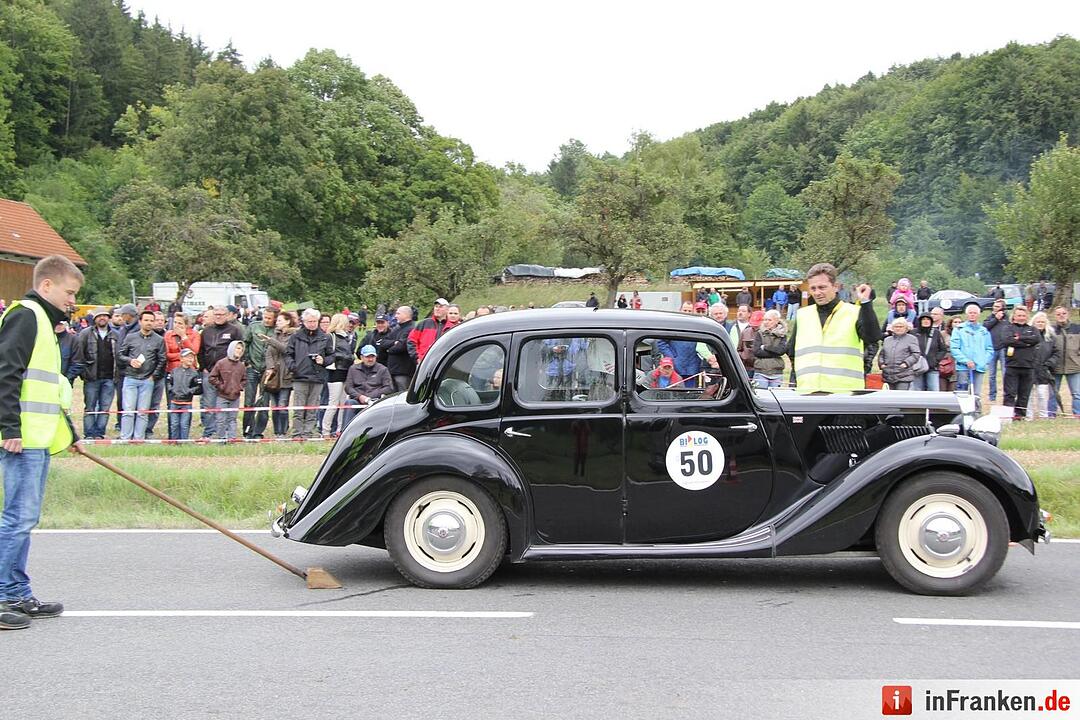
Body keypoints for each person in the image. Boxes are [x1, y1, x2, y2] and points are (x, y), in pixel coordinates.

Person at [0, 256, 83, 629]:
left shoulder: (46, 325)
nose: (72, 301)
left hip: (39, 439)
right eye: (69, 292)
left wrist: (70, 435)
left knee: (25, 518)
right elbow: (6, 374)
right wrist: (9, 429)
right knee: (17, 518)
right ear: (47, 285)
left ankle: (16, 591)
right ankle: (3, 595)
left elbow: (48, 392)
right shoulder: (26, 316)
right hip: (21, 440)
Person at [787, 263, 880, 392]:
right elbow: (792, 352)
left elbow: (873, 337)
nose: (817, 292)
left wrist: (865, 303)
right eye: (813, 288)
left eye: (822, 287)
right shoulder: (803, 314)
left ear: (835, 287)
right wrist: (795, 382)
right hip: (808, 394)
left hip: (845, 395)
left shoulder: (853, 312)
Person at [117, 310, 165, 440]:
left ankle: (139, 438)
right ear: (140, 321)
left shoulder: (159, 340)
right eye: (146, 320)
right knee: (128, 411)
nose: (149, 323)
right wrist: (130, 361)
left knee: (143, 412)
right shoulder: (130, 337)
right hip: (130, 378)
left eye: (151, 320)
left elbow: (162, 360)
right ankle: (125, 438)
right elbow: (120, 355)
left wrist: (153, 376)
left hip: (147, 380)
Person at [285, 309, 333, 439]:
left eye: (314, 321)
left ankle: (308, 432)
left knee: (312, 407)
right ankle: (297, 433)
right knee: (299, 408)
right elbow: (288, 354)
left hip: (317, 376)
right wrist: (293, 367)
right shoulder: (296, 336)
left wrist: (324, 361)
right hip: (300, 376)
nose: (312, 324)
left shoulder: (325, 337)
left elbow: (331, 355)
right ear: (304, 321)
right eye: (309, 321)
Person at [197, 306, 244, 438]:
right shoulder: (206, 331)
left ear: (227, 315)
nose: (219, 316)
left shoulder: (234, 331)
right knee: (209, 404)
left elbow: (239, 350)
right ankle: (210, 432)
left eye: (222, 314)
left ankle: (228, 433)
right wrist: (203, 367)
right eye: (216, 314)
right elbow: (201, 351)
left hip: (228, 375)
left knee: (227, 405)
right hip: (209, 372)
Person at [72, 308, 117, 440]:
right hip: (91, 377)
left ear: (108, 318)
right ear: (95, 319)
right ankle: (89, 433)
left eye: (105, 316)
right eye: (99, 316)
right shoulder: (85, 334)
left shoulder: (115, 334)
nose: (102, 318)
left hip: (109, 378)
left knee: (105, 407)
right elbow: (79, 354)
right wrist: (84, 373)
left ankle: (99, 433)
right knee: (90, 406)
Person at [242, 307, 277, 439]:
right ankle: (247, 430)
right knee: (249, 401)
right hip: (252, 368)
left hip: (268, 371)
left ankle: (258, 432)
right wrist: (247, 361)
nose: (266, 320)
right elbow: (245, 343)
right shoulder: (253, 326)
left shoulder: (276, 330)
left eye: (269, 318)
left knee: (264, 402)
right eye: (265, 317)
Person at [1001, 305, 1039, 419]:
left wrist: (1018, 338)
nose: (1021, 318)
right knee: (1010, 393)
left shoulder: (1032, 329)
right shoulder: (1008, 328)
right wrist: (1026, 343)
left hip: (1028, 366)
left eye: (1023, 315)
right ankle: (1007, 416)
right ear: (1014, 316)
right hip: (1012, 366)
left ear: (1027, 316)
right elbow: (1007, 340)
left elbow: (1036, 339)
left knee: (1024, 394)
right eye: (1019, 315)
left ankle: (1020, 416)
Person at [321, 313, 356, 437]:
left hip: (345, 371)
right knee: (333, 403)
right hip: (335, 371)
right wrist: (346, 357)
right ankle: (325, 430)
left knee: (343, 403)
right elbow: (330, 353)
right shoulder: (330, 337)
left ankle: (339, 430)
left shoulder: (347, 337)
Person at [341, 345, 394, 425]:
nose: (370, 359)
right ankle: (345, 432)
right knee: (349, 402)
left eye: (372, 356)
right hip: (357, 400)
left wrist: (372, 396)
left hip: (376, 401)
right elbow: (348, 387)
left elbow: (389, 388)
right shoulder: (353, 369)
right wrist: (360, 396)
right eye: (367, 357)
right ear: (362, 357)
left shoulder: (383, 369)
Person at [263, 312, 297, 437]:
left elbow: (286, 350)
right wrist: (270, 367)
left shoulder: (293, 335)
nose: (277, 323)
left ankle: (283, 430)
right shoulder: (275, 335)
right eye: (277, 321)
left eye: (280, 321)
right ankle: (277, 431)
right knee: (275, 405)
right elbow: (268, 353)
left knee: (283, 405)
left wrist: (271, 341)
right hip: (273, 375)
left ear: (288, 321)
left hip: (286, 374)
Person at [950, 303, 995, 396]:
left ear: (978, 315)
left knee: (976, 393)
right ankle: (964, 410)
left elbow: (989, 349)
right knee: (962, 393)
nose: (972, 315)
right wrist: (965, 361)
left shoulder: (984, 331)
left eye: (975, 313)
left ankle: (976, 410)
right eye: (970, 313)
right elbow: (954, 348)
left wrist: (983, 361)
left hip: (979, 367)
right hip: (963, 367)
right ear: (966, 314)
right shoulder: (959, 329)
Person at [209, 340, 246, 440]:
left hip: (235, 397)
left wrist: (239, 387)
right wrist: (221, 386)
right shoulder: (221, 363)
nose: (239, 351)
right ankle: (221, 439)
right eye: (238, 348)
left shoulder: (241, 366)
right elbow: (212, 377)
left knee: (232, 419)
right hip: (222, 396)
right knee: (220, 419)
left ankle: (232, 439)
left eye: (241, 349)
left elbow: (244, 380)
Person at [1049, 306, 1080, 418]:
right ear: (1054, 316)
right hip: (1055, 366)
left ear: (1068, 314)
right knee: (1052, 393)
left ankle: (1077, 414)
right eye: (1058, 314)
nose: (1061, 316)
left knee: (1077, 393)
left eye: (1063, 313)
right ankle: (1051, 414)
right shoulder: (1051, 330)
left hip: (1074, 366)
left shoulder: (1077, 328)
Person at [1027, 312, 1059, 420]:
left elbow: (1056, 353)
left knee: (1042, 395)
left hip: (1044, 369)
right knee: (1029, 394)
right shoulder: (1028, 335)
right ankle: (1029, 416)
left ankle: (1043, 416)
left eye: (1042, 322)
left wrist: (1049, 363)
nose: (1040, 324)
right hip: (1029, 369)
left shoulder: (1050, 337)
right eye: (1038, 322)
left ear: (1046, 323)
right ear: (1034, 322)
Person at [166, 349, 202, 440]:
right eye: (188, 357)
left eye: (192, 357)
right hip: (174, 402)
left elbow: (199, 388)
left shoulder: (194, 373)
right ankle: (174, 442)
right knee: (174, 424)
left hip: (187, 403)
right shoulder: (174, 371)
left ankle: (184, 442)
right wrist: (172, 390)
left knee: (184, 425)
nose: (190, 359)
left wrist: (189, 391)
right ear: (181, 359)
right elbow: (169, 383)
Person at [408, 298, 455, 366]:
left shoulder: (451, 328)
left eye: (440, 307)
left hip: (441, 363)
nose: (437, 309)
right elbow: (411, 340)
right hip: (423, 362)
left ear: (447, 309)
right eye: (436, 306)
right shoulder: (423, 324)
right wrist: (417, 358)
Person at [879, 318, 923, 390]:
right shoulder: (887, 340)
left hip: (904, 375)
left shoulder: (912, 339)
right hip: (888, 374)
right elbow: (882, 354)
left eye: (901, 326)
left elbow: (916, 353)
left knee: (900, 398)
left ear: (906, 328)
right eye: (896, 327)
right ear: (892, 328)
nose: (898, 328)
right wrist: (882, 364)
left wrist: (906, 363)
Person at [983, 299, 1010, 403]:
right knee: (991, 375)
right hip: (992, 348)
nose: (995, 308)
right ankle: (992, 396)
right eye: (994, 306)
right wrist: (995, 319)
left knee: (1005, 373)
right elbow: (985, 327)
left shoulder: (1007, 319)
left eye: (998, 307)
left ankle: (1006, 394)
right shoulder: (990, 317)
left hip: (1003, 348)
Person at [911, 313, 947, 391]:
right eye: (923, 319)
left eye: (928, 319)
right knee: (917, 391)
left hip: (932, 367)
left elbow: (943, 349)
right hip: (917, 367)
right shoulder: (913, 333)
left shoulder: (936, 333)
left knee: (933, 390)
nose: (926, 321)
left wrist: (935, 360)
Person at [752, 310, 787, 389]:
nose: (766, 322)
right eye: (765, 320)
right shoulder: (759, 333)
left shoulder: (782, 335)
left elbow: (781, 351)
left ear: (776, 321)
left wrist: (765, 347)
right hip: (761, 371)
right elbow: (757, 351)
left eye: (769, 320)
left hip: (776, 372)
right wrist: (774, 352)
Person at [385, 306, 416, 392]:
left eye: (398, 313)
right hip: (391, 370)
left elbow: (401, 346)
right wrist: (393, 343)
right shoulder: (396, 328)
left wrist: (389, 349)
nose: (395, 316)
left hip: (404, 371)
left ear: (406, 315)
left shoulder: (411, 329)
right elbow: (383, 342)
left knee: (402, 394)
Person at [938, 317, 963, 392]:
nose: (957, 324)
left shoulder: (964, 334)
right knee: (942, 388)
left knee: (953, 388)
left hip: (956, 363)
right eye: (955, 322)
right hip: (944, 362)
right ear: (950, 323)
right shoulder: (943, 334)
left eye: (959, 322)